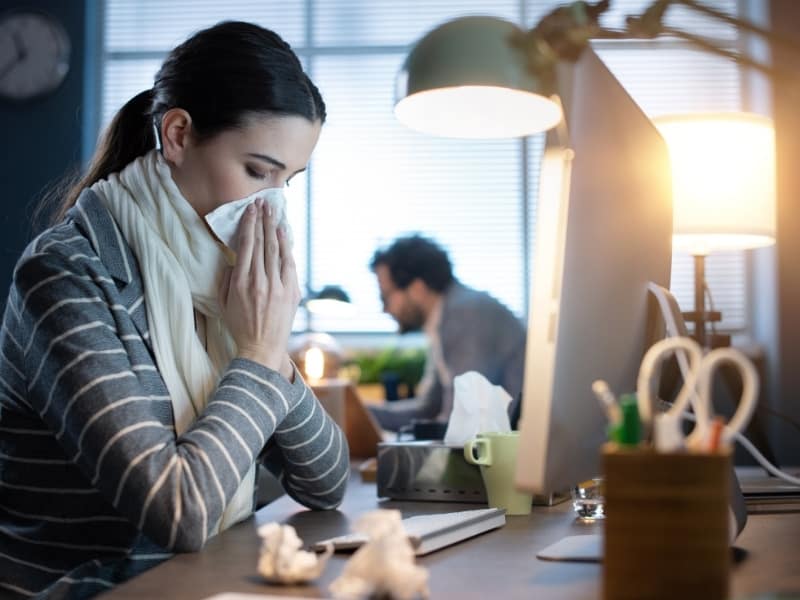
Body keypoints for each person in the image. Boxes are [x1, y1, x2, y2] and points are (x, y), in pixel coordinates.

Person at [0, 22, 349, 599]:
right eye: (258, 171)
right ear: (179, 134)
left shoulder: (218, 275)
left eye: (289, 181)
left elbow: (327, 483)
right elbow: (178, 511)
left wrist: (270, 350)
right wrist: (258, 355)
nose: (273, 206)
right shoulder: (66, 275)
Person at [368, 235, 527, 432]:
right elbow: (427, 409)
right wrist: (360, 412)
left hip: (516, 451)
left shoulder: (467, 313)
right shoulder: (443, 320)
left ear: (417, 288)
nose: (385, 309)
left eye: (385, 296)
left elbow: (465, 420)